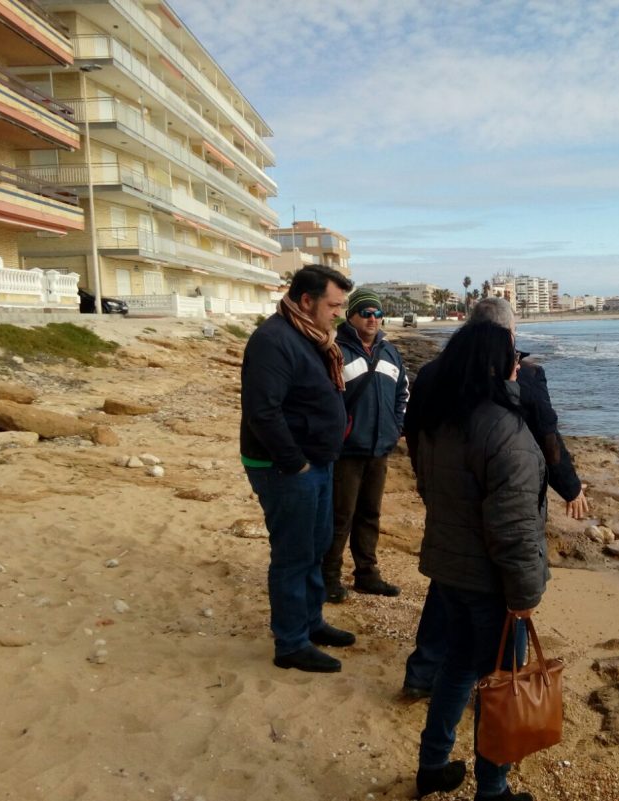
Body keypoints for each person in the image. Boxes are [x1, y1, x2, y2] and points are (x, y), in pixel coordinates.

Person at [402, 296, 587, 697]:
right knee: (501, 610)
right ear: (507, 335)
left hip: (447, 500)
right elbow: (546, 435)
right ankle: (501, 694)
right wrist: (569, 486)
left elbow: (415, 433)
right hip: (496, 499)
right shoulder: (523, 378)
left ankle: (421, 675)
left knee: (447, 589)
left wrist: (429, 486)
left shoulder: (435, 372)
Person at [412, 320, 546, 801]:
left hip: (449, 568)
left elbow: (428, 490)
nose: (520, 365)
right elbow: (513, 527)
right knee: (500, 686)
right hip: (490, 583)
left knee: (457, 666)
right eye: (516, 356)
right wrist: (525, 595)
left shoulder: (438, 419)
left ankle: (432, 765)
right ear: (499, 366)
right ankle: (493, 790)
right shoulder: (504, 430)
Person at [240, 264, 358, 673]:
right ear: (306, 301)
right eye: (333, 305)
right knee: (293, 554)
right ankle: (290, 643)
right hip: (285, 467)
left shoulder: (311, 336)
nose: (338, 315)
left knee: (315, 546)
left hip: (315, 463)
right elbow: (263, 412)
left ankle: (310, 622)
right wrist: (298, 464)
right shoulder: (273, 340)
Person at [322, 289, 409, 601]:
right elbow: (323, 398)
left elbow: (403, 392)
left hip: (379, 448)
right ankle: (328, 577)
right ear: (352, 316)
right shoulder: (336, 350)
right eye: (366, 313)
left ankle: (367, 574)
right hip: (346, 450)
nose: (372, 318)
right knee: (340, 516)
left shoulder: (390, 352)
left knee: (370, 514)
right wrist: (337, 432)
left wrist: (397, 425)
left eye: (377, 313)